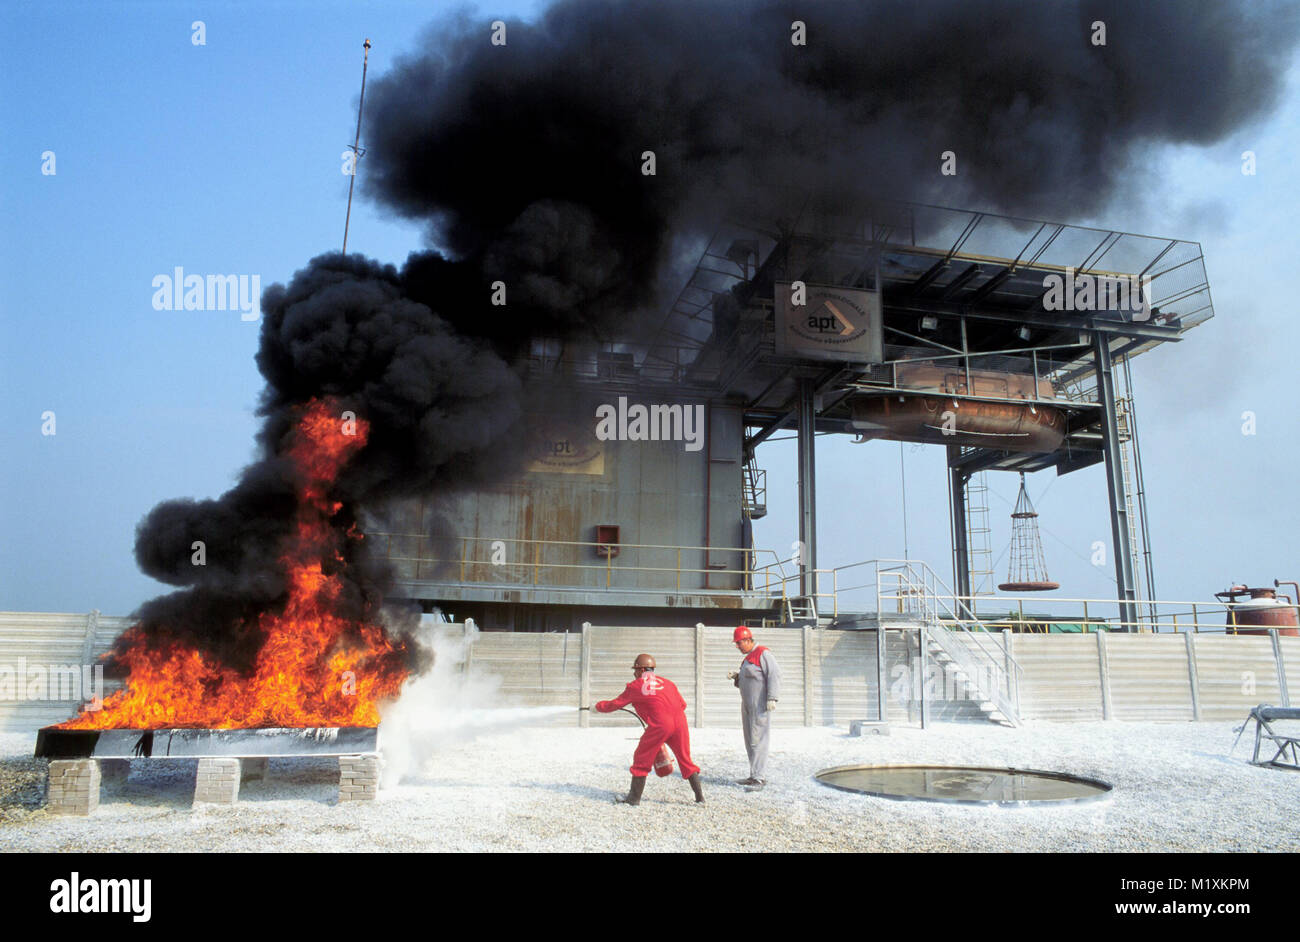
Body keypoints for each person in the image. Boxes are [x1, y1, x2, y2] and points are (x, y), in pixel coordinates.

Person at [592, 653, 704, 806]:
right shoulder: (668, 683)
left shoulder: (635, 686)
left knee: (641, 757)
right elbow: (683, 705)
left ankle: (633, 799)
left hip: (660, 725)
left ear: (642, 669)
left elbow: (615, 704)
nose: (634, 673)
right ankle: (700, 798)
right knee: (685, 758)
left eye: (636, 670)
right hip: (680, 723)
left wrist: (597, 707)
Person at [729, 626, 781, 789]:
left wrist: (772, 697)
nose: (737, 646)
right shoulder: (748, 658)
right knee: (750, 740)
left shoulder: (763, 654)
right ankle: (754, 775)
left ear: (747, 640)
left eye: (739, 643)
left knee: (759, 740)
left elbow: (774, 675)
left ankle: (760, 778)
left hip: (759, 706)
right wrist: (737, 677)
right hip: (747, 705)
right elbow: (751, 680)